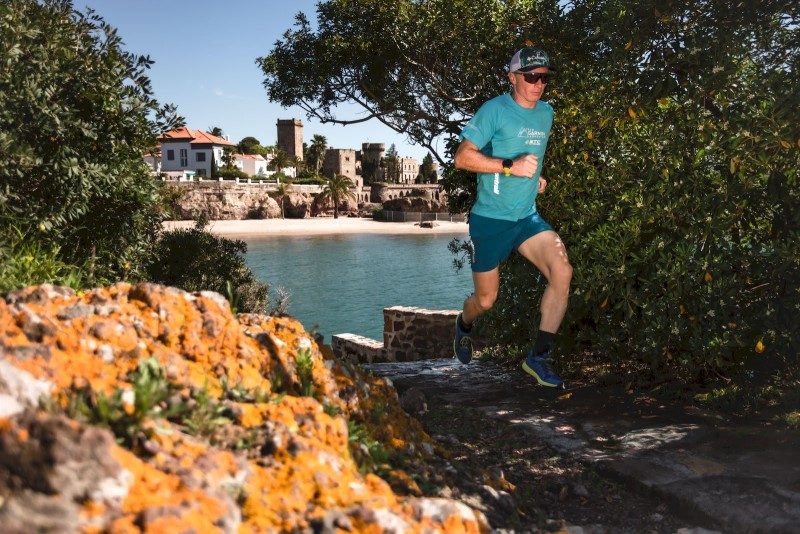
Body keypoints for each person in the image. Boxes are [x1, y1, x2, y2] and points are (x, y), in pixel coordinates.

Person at [452, 47, 572, 389]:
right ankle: (464, 324)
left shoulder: (546, 114)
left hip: (526, 217)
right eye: (531, 77)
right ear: (512, 77)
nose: (538, 84)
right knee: (486, 301)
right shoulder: (494, 110)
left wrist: (535, 180)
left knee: (562, 270)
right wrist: (510, 167)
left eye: (544, 77)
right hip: (491, 220)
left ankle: (538, 357)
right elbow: (463, 158)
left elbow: (533, 160)